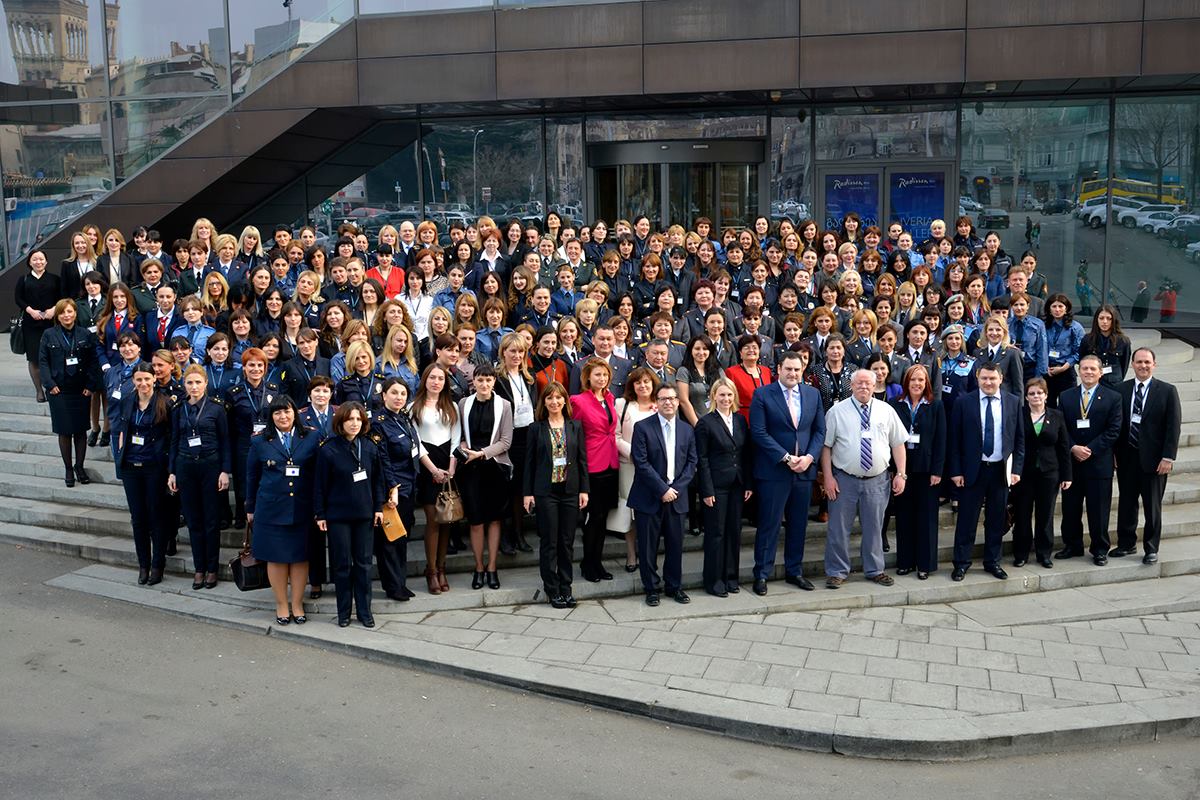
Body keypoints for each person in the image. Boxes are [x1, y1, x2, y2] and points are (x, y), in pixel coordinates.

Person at [821, 369, 908, 589]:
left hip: (878, 480)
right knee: (839, 528)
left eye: (868, 384)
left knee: (874, 527)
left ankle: (875, 569)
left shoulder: (885, 410)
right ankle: (837, 571)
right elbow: (826, 447)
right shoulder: (836, 412)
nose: (863, 387)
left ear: (874, 384)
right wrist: (828, 478)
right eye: (859, 384)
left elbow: (898, 443)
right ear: (851, 386)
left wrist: (901, 473)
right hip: (844, 479)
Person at [748, 351, 825, 595]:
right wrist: (786, 458)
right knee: (769, 524)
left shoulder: (812, 394)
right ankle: (761, 574)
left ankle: (795, 571)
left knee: (798, 525)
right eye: (788, 369)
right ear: (779, 369)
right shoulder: (762, 394)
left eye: (797, 369)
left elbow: (820, 431)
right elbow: (759, 432)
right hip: (774, 471)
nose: (793, 373)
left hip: (804, 471)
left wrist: (810, 458)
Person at [246, 396, 320, 625]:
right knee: (276, 558)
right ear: (271, 417)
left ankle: (297, 603)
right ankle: (281, 604)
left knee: (300, 557)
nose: (283, 417)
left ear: (294, 412)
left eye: (287, 411)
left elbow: (318, 474)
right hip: (271, 507)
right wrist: (250, 507)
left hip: (302, 506)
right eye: (277, 413)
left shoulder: (311, 435)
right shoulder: (260, 441)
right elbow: (251, 475)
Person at [947, 361, 1024, 581]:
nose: (988, 382)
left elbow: (1019, 439)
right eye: (984, 378)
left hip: (1001, 470)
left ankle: (993, 562)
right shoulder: (964, 402)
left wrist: (1016, 469)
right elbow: (955, 440)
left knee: (996, 519)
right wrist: (956, 471)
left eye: (992, 378)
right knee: (966, 520)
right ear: (978, 379)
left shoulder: (1012, 402)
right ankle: (961, 563)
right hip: (973, 470)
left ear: (1001, 379)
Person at [314, 402, 386, 628]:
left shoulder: (370, 447)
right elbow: (319, 485)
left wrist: (378, 508)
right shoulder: (328, 449)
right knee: (342, 564)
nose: (354, 424)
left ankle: (365, 611)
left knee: (364, 564)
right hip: (338, 516)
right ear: (341, 422)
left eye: (358, 419)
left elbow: (378, 481)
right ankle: (344, 611)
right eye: (349, 419)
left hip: (364, 514)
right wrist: (320, 513)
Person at [627, 383, 698, 606]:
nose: (668, 402)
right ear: (656, 403)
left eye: (672, 399)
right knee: (648, 547)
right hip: (649, 497)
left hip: (677, 498)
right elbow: (641, 462)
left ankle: (673, 586)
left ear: (678, 402)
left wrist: (674, 490)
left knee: (675, 546)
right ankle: (651, 588)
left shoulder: (687, 429)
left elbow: (692, 462)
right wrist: (662, 489)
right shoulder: (643, 427)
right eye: (663, 399)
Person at [523, 382, 589, 609]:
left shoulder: (575, 426)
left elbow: (582, 460)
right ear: (544, 402)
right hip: (545, 492)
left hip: (570, 491)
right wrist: (527, 493)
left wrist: (584, 489)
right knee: (550, 541)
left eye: (558, 398)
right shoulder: (536, 428)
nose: (554, 402)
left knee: (566, 542)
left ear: (565, 401)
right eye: (549, 398)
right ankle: (552, 590)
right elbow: (529, 463)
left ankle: (566, 588)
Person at [1114, 348, 1181, 565]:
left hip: (1154, 460)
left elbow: (1173, 428)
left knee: (1152, 506)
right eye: (1139, 362)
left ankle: (1151, 547)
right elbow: (1117, 426)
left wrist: (1168, 457)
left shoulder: (1167, 391)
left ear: (1154, 364)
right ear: (1132, 364)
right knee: (1126, 502)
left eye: (1147, 362)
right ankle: (1126, 543)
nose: (1143, 366)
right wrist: (1114, 454)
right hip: (1127, 457)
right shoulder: (1121, 390)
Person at [168, 365, 231, 590]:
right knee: (193, 520)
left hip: (210, 465)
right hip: (185, 466)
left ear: (206, 383)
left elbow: (225, 441)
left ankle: (212, 568)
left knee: (211, 521)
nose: (193, 387)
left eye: (197, 382)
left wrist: (225, 470)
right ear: (184, 385)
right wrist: (172, 471)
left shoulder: (217, 408)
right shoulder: (178, 408)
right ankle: (199, 568)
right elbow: (174, 440)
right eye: (189, 383)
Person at [1057, 355, 1122, 566]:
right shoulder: (1066, 396)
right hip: (1072, 463)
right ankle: (1072, 545)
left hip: (1099, 463)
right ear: (1079, 370)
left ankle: (1100, 548)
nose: (1088, 372)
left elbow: (1114, 430)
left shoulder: (1113, 397)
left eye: (1093, 369)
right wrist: (1073, 447)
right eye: (1084, 368)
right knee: (1070, 509)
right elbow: (1061, 428)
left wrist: (1090, 449)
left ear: (1100, 372)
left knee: (1099, 510)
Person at [456, 364, 514, 590]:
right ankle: (478, 567)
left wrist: (481, 453)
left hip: (494, 467)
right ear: (474, 381)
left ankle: (492, 568)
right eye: (480, 380)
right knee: (476, 521)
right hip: (470, 469)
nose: (484, 384)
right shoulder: (463, 404)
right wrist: (465, 449)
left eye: (489, 380)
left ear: (494, 382)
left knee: (494, 519)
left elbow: (506, 441)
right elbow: (460, 436)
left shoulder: (504, 405)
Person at [695, 377, 751, 597]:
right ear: (714, 397)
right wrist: (706, 490)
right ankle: (713, 580)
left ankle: (730, 577)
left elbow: (745, 454)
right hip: (716, 486)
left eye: (729, 395)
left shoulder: (739, 420)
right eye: (722, 395)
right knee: (716, 533)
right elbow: (702, 459)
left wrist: (747, 483)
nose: (726, 399)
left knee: (733, 532)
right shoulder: (705, 423)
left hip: (737, 484)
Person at [117, 362, 171, 585]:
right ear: (133, 381)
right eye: (139, 380)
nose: (143, 383)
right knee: (138, 519)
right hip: (131, 466)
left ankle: (158, 564)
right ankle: (143, 565)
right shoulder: (128, 401)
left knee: (156, 517)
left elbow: (170, 436)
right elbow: (122, 429)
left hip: (154, 467)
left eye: (147, 379)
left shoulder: (165, 403)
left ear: (154, 379)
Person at [889, 365, 946, 580]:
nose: (917, 384)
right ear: (906, 382)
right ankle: (905, 561)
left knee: (927, 518)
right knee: (904, 516)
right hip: (902, 469)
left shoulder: (936, 405)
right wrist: (894, 471)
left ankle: (925, 564)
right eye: (913, 380)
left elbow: (941, 440)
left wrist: (938, 471)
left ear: (927, 383)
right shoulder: (894, 405)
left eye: (921, 380)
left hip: (927, 469)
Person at [40, 299, 103, 486]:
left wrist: (91, 385)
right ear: (57, 316)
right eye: (62, 313)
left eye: (70, 311)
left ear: (75, 313)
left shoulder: (85, 334)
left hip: (81, 390)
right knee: (65, 431)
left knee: (81, 430)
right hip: (58, 390)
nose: (67, 315)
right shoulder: (49, 335)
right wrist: (49, 384)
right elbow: (43, 362)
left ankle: (79, 466)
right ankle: (68, 468)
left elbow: (93, 361)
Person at [1011, 377, 1072, 569]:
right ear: (1026, 397)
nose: (1036, 396)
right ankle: (1021, 553)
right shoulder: (1019, 415)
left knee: (1045, 515)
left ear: (1046, 395)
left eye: (1039, 393)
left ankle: (1044, 553)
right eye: (1031, 393)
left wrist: (1067, 475)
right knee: (1022, 514)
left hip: (1049, 473)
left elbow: (1063, 447)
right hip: (1024, 473)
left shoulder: (1056, 415)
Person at [368, 378, 419, 601]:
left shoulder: (404, 418)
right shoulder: (379, 422)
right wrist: (392, 488)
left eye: (403, 394)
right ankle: (392, 586)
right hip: (393, 487)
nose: (399, 398)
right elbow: (383, 459)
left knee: (402, 537)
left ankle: (401, 582)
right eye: (394, 393)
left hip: (409, 484)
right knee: (390, 539)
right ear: (384, 395)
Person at [412, 363, 460, 594]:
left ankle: (442, 568)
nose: (436, 382)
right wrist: (433, 470)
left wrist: (451, 467)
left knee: (447, 519)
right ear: (425, 380)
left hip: (448, 465)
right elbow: (416, 443)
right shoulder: (414, 407)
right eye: (432, 377)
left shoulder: (451, 407)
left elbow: (456, 438)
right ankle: (431, 570)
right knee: (432, 520)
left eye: (440, 378)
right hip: (427, 467)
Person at [571, 357, 621, 582]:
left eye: (605, 375)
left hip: (611, 462)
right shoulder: (578, 401)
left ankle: (597, 563)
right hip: (591, 464)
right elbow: (573, 432)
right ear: (588, 378)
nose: (602, 379)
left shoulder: (610, 398)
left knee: (602, 518)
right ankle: (588, 564)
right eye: (597, 375)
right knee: (592, 517)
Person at [15, 249, 62, 402]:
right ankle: (39, 391)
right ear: (29, 262)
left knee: (53, 355)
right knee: (34, 358)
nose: (38, 262)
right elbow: (18, 298)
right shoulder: (23, 279)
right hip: (31, 324)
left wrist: (54, 310)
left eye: (41, 259)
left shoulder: (55, 279)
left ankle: (52, 387)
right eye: (35, 259)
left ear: (46, 261)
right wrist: (30, 310)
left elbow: (62, 297)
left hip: (51, 322)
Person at [1079, 304, 1131, 390]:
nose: (1105, 322)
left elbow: (1124, 364)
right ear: (1096, 320)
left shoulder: (1123, 341)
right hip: (1093, 383)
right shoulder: (1087, 340)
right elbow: (1082, 360)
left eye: (1109, 318)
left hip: (1114, 384)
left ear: (1114, 320)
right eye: (1101, 318)